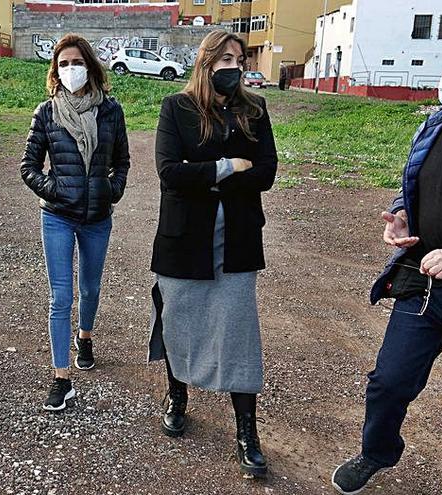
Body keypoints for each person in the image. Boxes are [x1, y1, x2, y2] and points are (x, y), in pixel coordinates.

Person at [332, 33, 442, 495]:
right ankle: (377, 452)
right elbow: (414, 187)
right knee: (389, 383)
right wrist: (401, 216)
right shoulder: (435, 126)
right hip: (423, 285)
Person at [148, 30, 277, 478]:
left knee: (239, 333)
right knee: (179, 322)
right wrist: (227, 167)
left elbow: (265, 173)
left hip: (237, 243)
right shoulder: (176, 108)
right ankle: (176, 394)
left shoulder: (254, 110)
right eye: (224, 58)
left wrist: (202, 175)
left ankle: (247, 432)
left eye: (239, 59)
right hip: (184, 241)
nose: (233, 66)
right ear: (205, 62)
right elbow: (168, 172)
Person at [20, 34, 130, 412]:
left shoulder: (111, 111)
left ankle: (85, 337)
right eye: (63, 64)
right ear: (55, 71)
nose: (71, 70)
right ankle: (60, 378)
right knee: (60, 297)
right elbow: (28, 166)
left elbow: (123, 161)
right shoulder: (46, 112)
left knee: (91, 289)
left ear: (91, 66)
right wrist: (55, 190)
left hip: (98, 217)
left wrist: (110, 190)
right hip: (57, 217)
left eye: (77, 62)